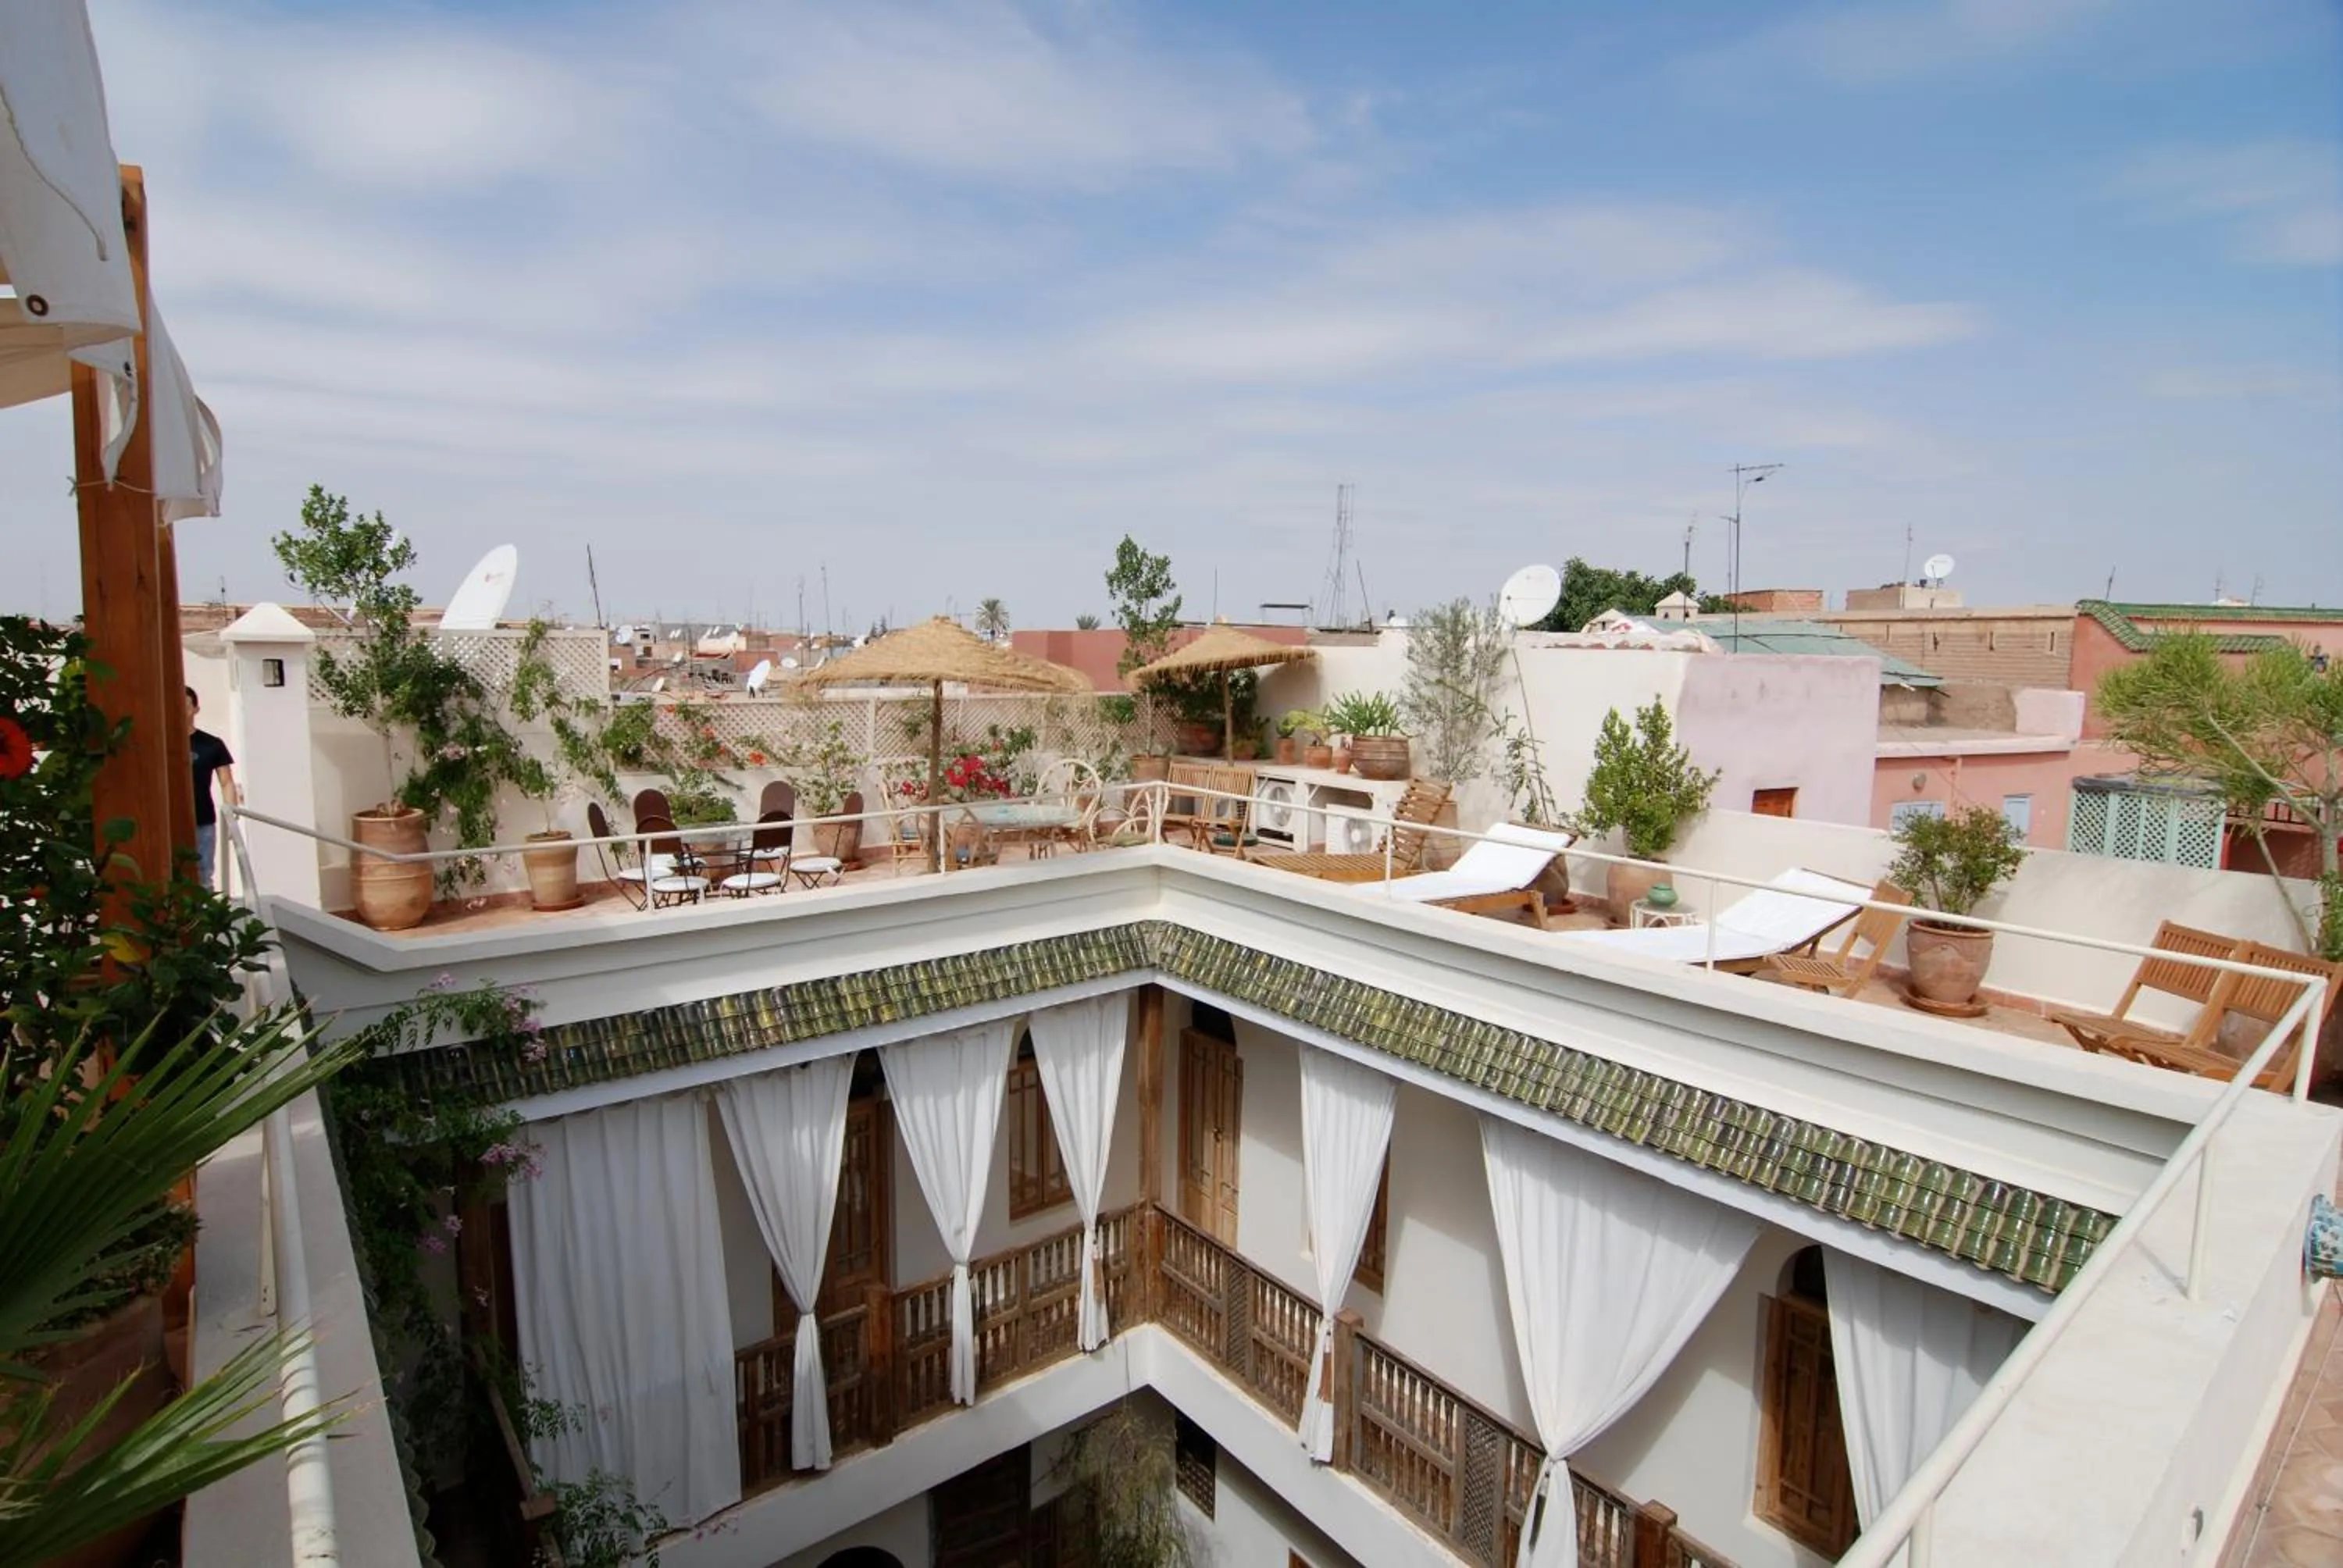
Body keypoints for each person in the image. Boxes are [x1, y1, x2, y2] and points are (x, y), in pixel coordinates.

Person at [188, 686, 237, 888]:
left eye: (185, 705)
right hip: (169, 820)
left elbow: (226, 782)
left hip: (203, 820)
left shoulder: (211, 744)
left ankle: (204, 919)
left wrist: (231, 815)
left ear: (196, 709)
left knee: (203, 875)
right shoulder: (161, 743)